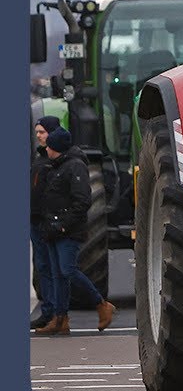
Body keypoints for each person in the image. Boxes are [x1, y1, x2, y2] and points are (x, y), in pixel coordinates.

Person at [33, 127, 114, 335]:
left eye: (49, 145)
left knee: (68, 270)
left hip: (66, 230)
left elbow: (82, 201)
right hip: (51, 228)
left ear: (56, 147)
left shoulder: (75, 167)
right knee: (58, 274)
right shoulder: (54, 165)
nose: (46, 148)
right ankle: (60, 318)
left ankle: (101, 304)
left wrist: (63, 224)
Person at [29, 116, 59, 330]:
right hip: (37, 220)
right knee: (43, 267)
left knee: (58, 268)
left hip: (48, 221)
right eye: (37, 132)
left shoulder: (57, 159)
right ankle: (50, 312)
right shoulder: (41, 158)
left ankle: (57, 312)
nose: (39, 136)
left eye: (42, 132)